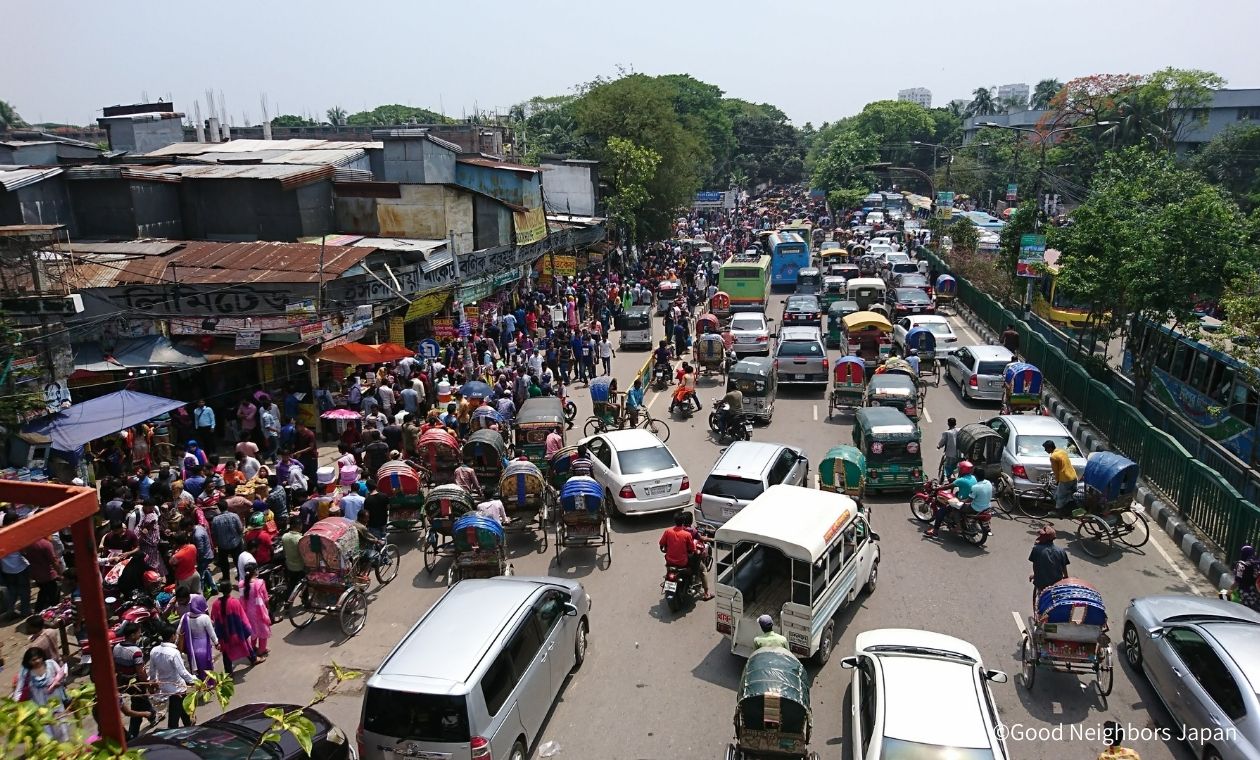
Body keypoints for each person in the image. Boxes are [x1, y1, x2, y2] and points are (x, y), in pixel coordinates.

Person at [12, 647, 70, 740]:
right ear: (28, 662)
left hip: (56, 703)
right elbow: (19, 690)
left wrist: (57, 683)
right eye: (33, 660)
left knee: (62, 726)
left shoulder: (51, 664)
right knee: (47, 731)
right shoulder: (26, 673)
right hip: (40, 707)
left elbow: (62, 677)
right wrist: (15, 707)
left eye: (39, 658)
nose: (38, 661)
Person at [149, 623, 198, 728]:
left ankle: (189, 724)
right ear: (172, 636)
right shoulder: (173, 653)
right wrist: (195, 680)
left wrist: (153, 682)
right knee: (175, 714)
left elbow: (152, 671)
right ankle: (175, 729)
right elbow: (182, 672)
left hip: (165, 686)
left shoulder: (154, 651)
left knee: (183, 708)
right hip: (177, 687)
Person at [113, 621, 156, 739]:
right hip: (135, 683)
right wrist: (148, 686)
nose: (140, 635)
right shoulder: (135, 651)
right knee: (139, 703)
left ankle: (151, 715)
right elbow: (140, 672)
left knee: (139, 702)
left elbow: (116, 666)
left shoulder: (116, 647)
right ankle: (134, 732)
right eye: (138, 633)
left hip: (123, 681)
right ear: (132, 635)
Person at [210, 581, 255, 677]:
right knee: (245, 645)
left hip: (224, 635)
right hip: (236, 632)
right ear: (230, 589)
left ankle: (229, 672)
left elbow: (213, 619)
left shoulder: (215, 604)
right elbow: (242, 618)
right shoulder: (234, 602)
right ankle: (253, 659)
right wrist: (247, 630)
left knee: (226, 653)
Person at [927, 460, 977, 537]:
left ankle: (935, 531)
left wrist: (937, 488)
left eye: (959, 469)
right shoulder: (973, 478)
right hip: (970, 500)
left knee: (940, 512)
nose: (958, 470)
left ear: (963, 470)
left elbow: (948, 486)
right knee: (956, 494)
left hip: (962, 501)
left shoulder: (961, 480)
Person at [178, 593, 217, 678]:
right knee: (208, 672)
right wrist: (217, 643)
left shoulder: (185, 617)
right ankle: (209, 685)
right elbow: (212, 634)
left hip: (191, 649)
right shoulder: (205, 618)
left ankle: (200, 686)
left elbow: (179, 632)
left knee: (197, 672)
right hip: (204, 649)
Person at [1028, 526, 1070, 603]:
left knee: (1042, 599)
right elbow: (1064, 568)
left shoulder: (1036, 549)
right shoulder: (1061, 551)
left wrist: (1035, 575)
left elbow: (1035, 565)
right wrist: (1066, 578)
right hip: (1057, 583)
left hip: (1042, 583)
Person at [238, 564, 271, 660]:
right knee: (263, 630)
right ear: (254, 571)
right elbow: (265, 598)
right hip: (259, 611)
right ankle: (261, 650)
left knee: (252, 630)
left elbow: (241, 599)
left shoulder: (241, 584)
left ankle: (252, 647)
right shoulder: (260, 583)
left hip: (247, 611)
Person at [681, 512, 713, 601]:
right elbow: (700, 539)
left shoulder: (676, 530)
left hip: (674, 559)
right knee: (703, 570)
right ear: (691, 521)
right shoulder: (691, 531)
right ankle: (706, 593)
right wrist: (712, 539)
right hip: (687, 558)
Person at [1044, 440, 1078, 514]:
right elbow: (1063, 464)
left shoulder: (1053, 457)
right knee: (1072, 495)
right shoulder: (1062, 451)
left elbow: (1056, 471)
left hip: (1065, 478)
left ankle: (1058, 512)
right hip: (1073, 476)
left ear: (1050, 448)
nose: (1045, 450)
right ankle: (1073, 510)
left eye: (1046, 448)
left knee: (1060, 496)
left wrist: (1057, 480)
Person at [1231, 545, 1260, 612]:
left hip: (1244, 592)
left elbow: (1237, 582)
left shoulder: (1242, 565)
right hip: (1256, 592)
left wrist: (1229, 591)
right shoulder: (1257, 563)